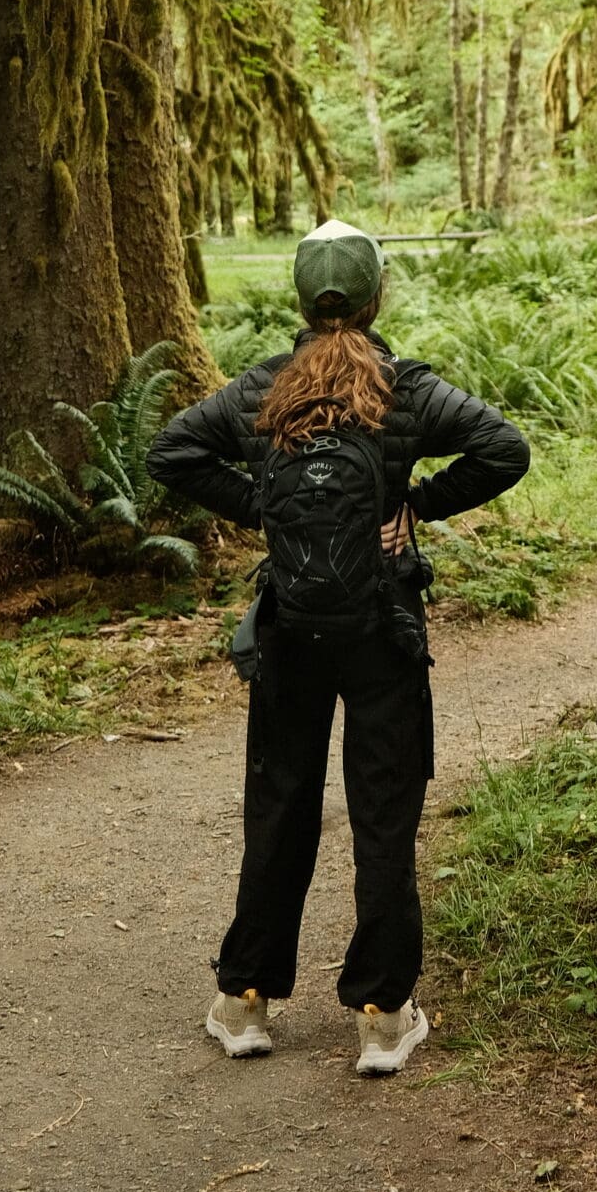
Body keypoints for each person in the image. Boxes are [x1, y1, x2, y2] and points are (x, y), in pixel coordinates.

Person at [148, 218, 529, 1077]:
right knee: (383, 816)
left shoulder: (259, 389)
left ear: (298, 297)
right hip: (382, 630)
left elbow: (170, 450)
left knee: (279, 807)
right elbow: (504, 448)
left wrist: (265, 515)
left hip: (290, 630)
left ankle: (243, 1001)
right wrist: (417, 506)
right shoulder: (403, 389)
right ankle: (383, 1017)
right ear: (375, 296)